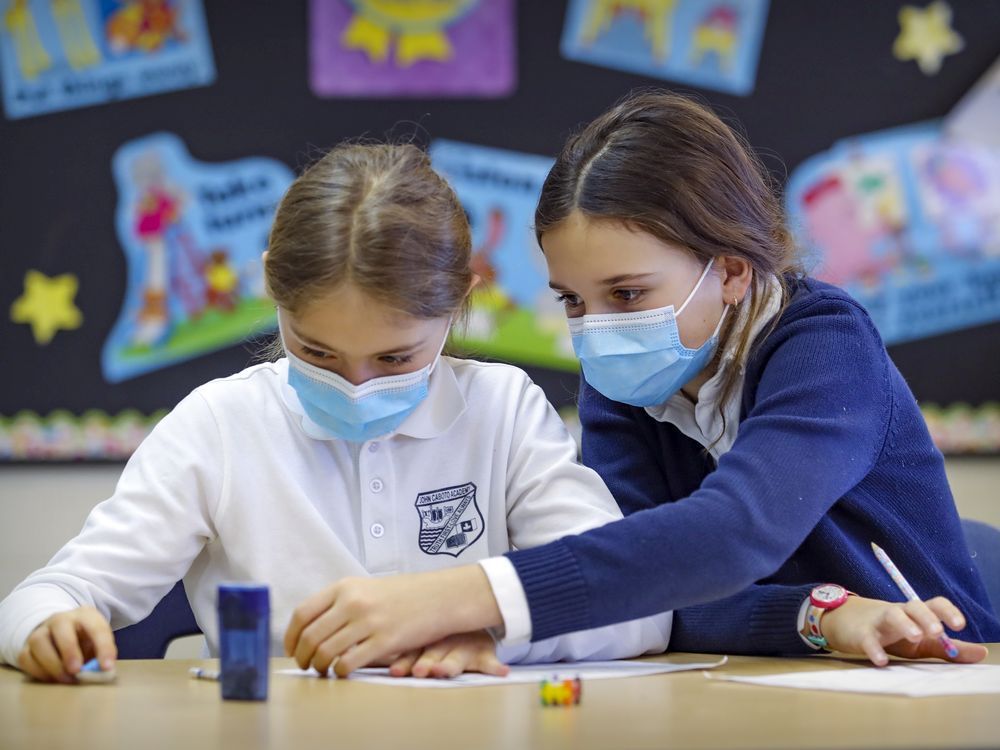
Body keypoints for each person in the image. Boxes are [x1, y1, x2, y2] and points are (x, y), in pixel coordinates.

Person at [281, 92, 998, 676]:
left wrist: (467, 596)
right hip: (775, 675)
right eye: (572, 300)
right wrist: (815, 615)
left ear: (731, 271)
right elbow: (650, 598)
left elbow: (731, 534)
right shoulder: (626, 378)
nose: (596, 330)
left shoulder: (825, 346)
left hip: (939, 668)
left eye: (626, 295)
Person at [0, 143, 673, 683]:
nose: (355, 386)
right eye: (317, 352)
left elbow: (640, 608)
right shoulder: (220, 425)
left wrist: (492, 628)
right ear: (272, 288)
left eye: (394, 360)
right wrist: (46, 624)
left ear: (461, 300)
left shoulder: (503, 410)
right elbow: (53, 591)